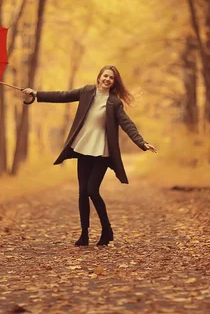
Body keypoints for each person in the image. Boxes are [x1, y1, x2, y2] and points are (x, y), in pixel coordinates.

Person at [22, 65, 157, 246]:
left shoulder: (114, 103)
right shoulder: (86, 92)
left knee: (92, 190)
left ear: (114, 82)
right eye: (105, 76)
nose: (107, 79)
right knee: (82, 192)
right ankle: (84, 234)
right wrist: (36, 94)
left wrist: (142, 142)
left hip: (102, 151)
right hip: (83, 147)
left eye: (111, 78)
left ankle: (106, 229)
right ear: (99, 77)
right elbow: (62, 96)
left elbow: (127, 124)